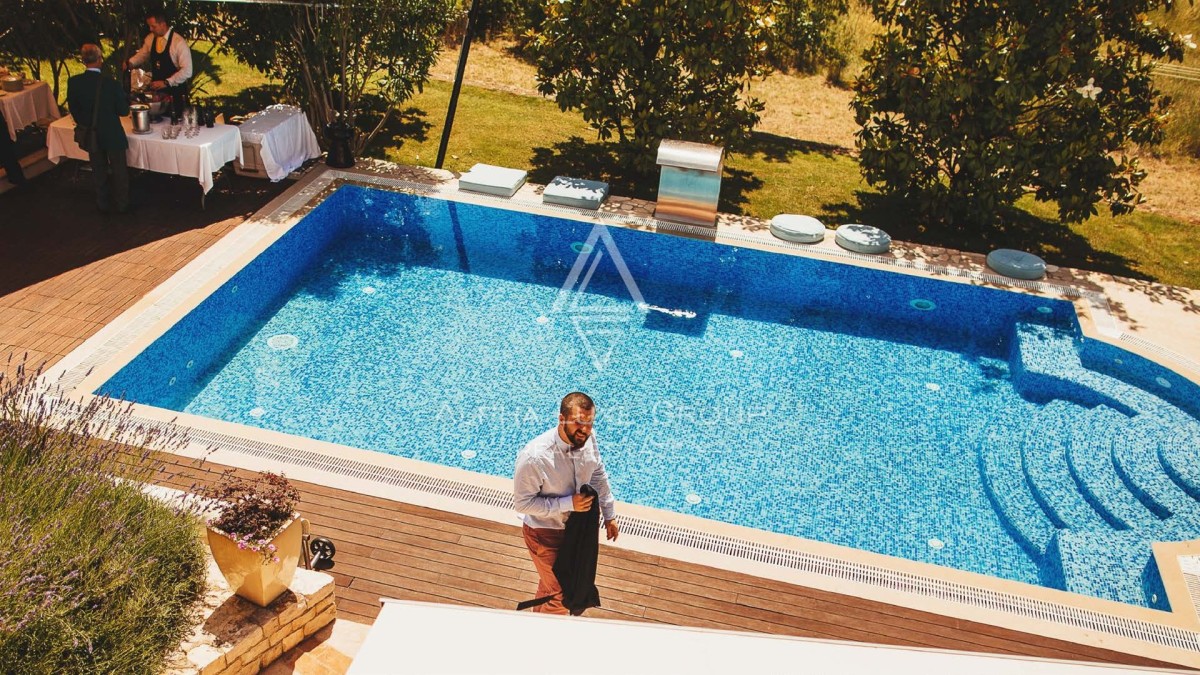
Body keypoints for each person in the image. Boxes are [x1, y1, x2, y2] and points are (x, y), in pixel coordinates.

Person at [513, 392, 619, 615]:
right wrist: (568, 503)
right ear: (562, 419)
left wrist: (609, 515)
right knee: (563, 596)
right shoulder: (534, 457)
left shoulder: (588, 438)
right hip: (544, 533)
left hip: (575, 531)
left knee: (553, 586)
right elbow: (523, 504)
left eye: (590, 423)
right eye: (579, 422)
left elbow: (597, 473)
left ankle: (532, 623)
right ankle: (547, 634)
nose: (585, 430)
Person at [67, 44, 130, 214]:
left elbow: (74, 109)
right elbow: (123, 111)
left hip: (91, 133)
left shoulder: (74, 83)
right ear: (100, 59)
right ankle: (122, 204)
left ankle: (102, 202)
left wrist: (86, 123)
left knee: (98, 169)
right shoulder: (112, 84)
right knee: (119, 170)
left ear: (83, 61)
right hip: (112, 133)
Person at [124, 11, 193, 108]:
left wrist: (167, 82)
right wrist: (130, 63)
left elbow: (187, 71)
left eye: (153, 26)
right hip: (157, 95)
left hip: (176, 94)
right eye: (149, 26)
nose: (150, 29)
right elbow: (142, 54)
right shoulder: (150, 38)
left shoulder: (178, 42)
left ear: (163, 24)